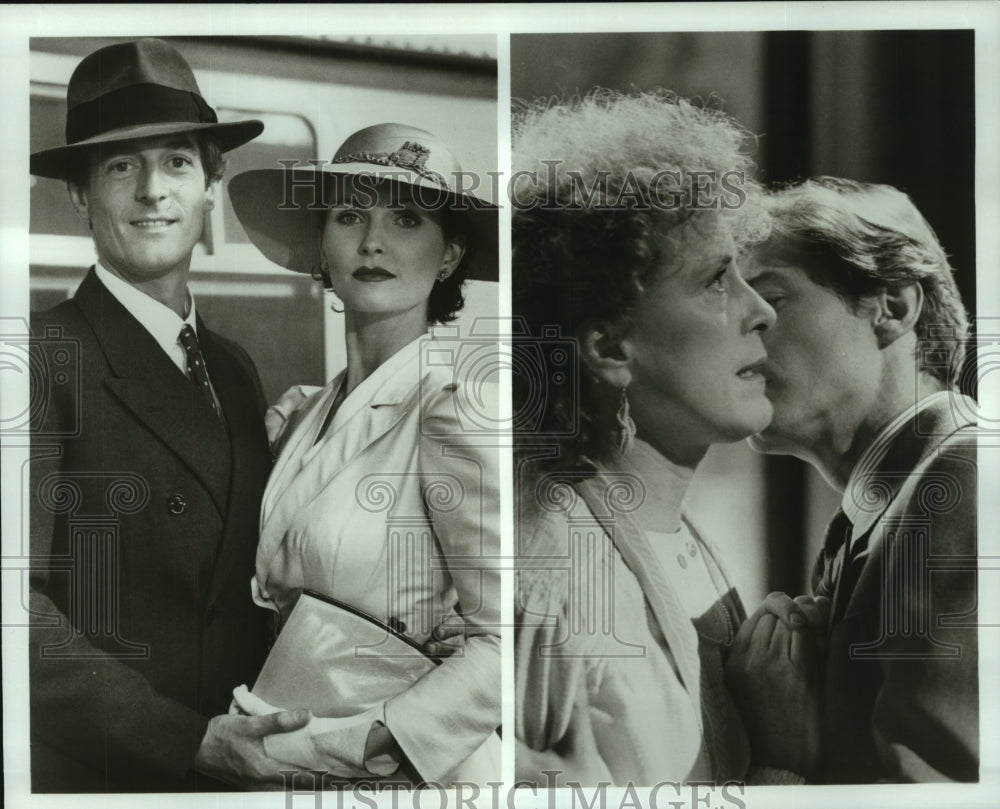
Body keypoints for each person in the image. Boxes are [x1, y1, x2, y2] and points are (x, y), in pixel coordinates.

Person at [27, 38, 309, 792]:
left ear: (211, 184)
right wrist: (186, 740)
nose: (154, 190)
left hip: (244, 768)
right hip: (108, 775)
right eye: (122, 165)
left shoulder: (235, 369)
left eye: (177, 161)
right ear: (81, 194)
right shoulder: (37, 356)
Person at [512, 89, 807, 786]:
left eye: (744, 274)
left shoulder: (676, 532)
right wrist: (784, 763)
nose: (761, 309)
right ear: (610, 345)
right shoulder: (552, 565)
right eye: (714, 281)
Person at [226, 123, 501, 786]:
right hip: (281, 756)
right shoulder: (300, 416)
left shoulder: (453, 407)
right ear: (322, 246)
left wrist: (359, 745)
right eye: (349, 215)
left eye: (407, 219)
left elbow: (504, 646)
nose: (373, 241)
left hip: (405, 772)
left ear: (448, 255)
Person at [727, 177, 978, 783]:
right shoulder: (897, 501)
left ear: (893, 306)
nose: (739, 328)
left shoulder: (960, 482)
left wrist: (784, 759)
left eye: (771, 300)